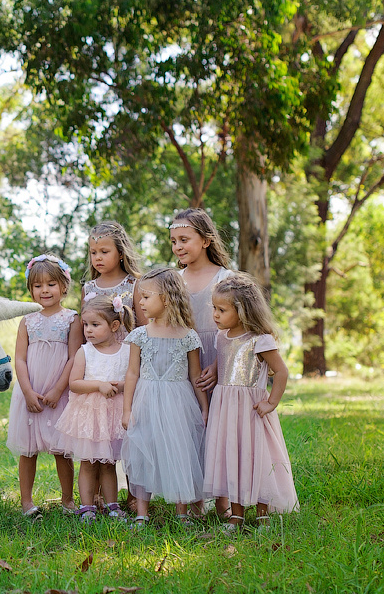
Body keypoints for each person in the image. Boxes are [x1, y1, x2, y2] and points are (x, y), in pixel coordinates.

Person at [203, 272, 299, 532]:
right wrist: (213, 369)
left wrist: (272, 402)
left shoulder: (260, 339)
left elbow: (281, 372)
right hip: (225, 408)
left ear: (242, 310)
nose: (215, 314)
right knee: (232, 457)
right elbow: (223, 362)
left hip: (251, 410)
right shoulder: (221, 338)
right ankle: (236, 515)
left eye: (221, 309)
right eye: (214, 308)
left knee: (255, 457)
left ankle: (263, 514)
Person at [121, 268, 208, 528]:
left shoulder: (187, 336)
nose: (141, 303)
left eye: (147, 297)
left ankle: (182, 512)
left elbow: (195, 375)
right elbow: (132, 374)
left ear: (167, 298)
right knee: (145, 451)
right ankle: (142, 512)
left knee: (179, 451)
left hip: (178, 402)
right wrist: (127, 409)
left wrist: (203, 407)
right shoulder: (140, 334)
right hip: (146, 400)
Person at [6, 254, 83, 518]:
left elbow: (74, 357)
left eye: (51, 284)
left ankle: (68, 499)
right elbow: (20, 357)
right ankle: (26, 501)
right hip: (33, 389)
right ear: (31, 290)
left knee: (62, 449)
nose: (45, 290)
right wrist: (27, 391)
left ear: (63, 286)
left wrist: (58, 390)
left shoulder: (72, 319)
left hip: (58, 391)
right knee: (28, 450)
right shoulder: (28, 320)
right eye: (38, 285)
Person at [169, 207, 233, 518]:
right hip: (185, 362)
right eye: (173, 241)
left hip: (221, 359)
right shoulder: (173, 281)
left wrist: (220, 364)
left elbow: (242, 327)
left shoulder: (226, 279)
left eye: (184, 239)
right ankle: (192, 501)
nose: (178, 247)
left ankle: (222, 500)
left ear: (206, 240)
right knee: (191, 426)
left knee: (218, 427)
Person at [82, 220, 147, 512]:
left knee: (129, 432)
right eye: (93, 251)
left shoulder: (135, 285)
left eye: (104, 251)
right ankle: (95, 495)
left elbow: (145, 327)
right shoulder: (88, 287)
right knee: (99, 434)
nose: (97, 257)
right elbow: (81, 326)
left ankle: (135, 493)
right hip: (98, 367)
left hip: (127, 365)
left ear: (120, 252)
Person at [53, 295, 133, 523]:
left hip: (113, 415)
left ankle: (112, 505)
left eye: (95, 325)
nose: (88, 330)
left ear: (114, 326)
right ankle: (87, 506)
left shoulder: (126, 351)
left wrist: (119, 386)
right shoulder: (85, 352)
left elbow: (132, 380)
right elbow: (74, 384)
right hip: (90, 414)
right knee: (88, 463)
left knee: (109, 464)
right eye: (86, 325)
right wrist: (99, 385)